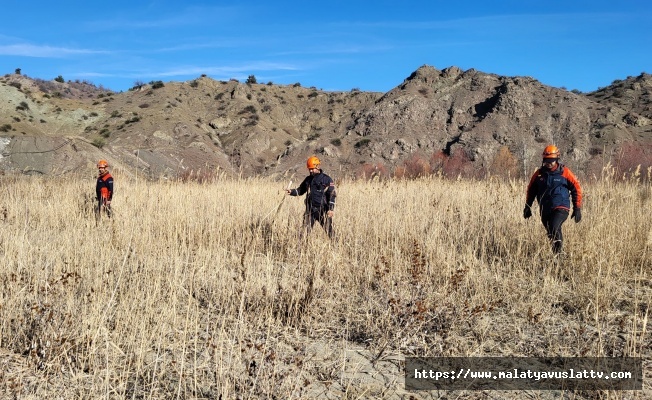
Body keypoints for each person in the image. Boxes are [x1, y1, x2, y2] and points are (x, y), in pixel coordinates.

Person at [523, 145, 582, 254]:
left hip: (561, 206)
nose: (548, 163)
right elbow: (531, 191)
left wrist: (577, 208)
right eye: (546, 160)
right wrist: (528, 206)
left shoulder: (565, 172)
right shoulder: (539, 174)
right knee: (551, 233)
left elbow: (576, 188)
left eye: (551, 160)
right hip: (545, 209)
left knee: (554, 226)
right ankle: (558, 257)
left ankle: (559, 253)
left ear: (556, 160)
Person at [286, 156, 336, 238]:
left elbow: (332, 195)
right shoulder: (308, 179)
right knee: (304, 234)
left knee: (330, 232)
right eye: (309, 169)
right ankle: (303, 249)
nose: (310, 171)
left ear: (318, 166)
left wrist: (330, 209)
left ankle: (336, 246)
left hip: (323, 210)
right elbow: (300, 190)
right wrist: (291, 192)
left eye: (312, 169)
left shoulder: (327, 179)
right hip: (310, 211)